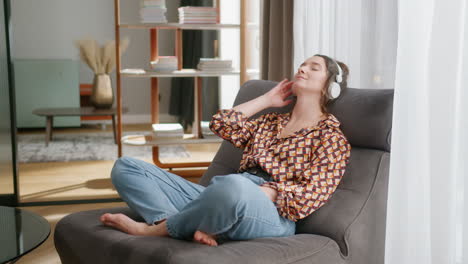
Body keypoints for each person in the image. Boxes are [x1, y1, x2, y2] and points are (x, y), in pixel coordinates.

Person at [100, 54, 352, 247]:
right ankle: (190, 221)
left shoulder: (331, 137)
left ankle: (152, 230)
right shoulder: (270, 121)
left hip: (271, 212)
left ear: (330, 87)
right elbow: (220, 124)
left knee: (232, 187)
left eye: (313, 67)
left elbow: (314, 193)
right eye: (303, 64)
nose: (302, 68)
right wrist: (265, 100)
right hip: (222, 195)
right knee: (126, 167)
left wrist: (267, 191)